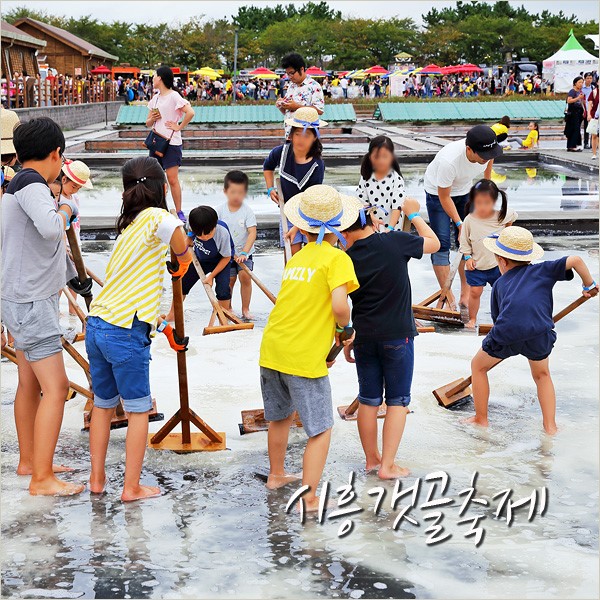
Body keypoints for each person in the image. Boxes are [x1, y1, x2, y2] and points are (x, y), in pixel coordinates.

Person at [86, 156, 191, 501]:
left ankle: (97, 480)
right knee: (138, 410)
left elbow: (136, 287)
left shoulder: (128, 228)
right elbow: (178, 239)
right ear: (162, 188)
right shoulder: (158, 217)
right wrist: (184, 261)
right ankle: (131, 487)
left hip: (98, 323)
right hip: (124, 330)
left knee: (103, 406)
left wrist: (161, 326)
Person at [259, 185, 359, 512]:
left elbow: (304, 305)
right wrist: (345, 331)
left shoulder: (298, 259)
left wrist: (328, 343)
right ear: (340, 225)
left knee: (280, 417)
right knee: (321, 429)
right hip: (302, 357)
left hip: (273, 348)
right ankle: (311, 497)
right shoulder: (337, 258)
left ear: (302, 226)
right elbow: (339, 306)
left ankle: (276, 474)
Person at [1, 117, 85, 496]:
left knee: (30, 383)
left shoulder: (16, 182)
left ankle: (31, 461)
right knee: (57, 386)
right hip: (31, 300)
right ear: (56, 155)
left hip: (20, 296)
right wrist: (66, 208)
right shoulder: (32, 183)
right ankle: (42, 478)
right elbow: (52, 228)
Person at [465, 226, 598, 434]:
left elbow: (499, 319)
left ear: (502, 261)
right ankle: (550, 426)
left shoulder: (499, 285)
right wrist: (589, 285)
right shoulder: (544, 269)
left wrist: (501, 346)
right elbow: (575, 260)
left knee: (478, 367)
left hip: (507, 333)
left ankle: (481, 419)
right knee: (542, 375)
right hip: (539, 333)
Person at [342, 197, 440, 479]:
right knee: (397, 400)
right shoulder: (395, 241)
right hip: (397, 336)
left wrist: (346, 337)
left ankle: (372, 460)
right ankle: (387, 466)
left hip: (363, 337)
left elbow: (339, 304)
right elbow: (433, 243)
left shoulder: (346, 258)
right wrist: (415, 214)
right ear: (369, 220)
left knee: (368, 400)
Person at [423, 125, 502, 311]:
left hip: (464, 191)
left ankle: (464, 295)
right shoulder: (448, 161)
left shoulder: (486, 154)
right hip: (438, 193)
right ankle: (447, 297)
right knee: (441, 242)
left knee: (469, 243)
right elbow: (444, 197)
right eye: (483, 155)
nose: (487, 158)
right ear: (469, 150)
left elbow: (487, 171)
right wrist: (460, 224)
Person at [263, 107, 326, 255]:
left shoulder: (317, 165)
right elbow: (268, 166)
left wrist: (297, 227)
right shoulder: (281, 152)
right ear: (291, 135)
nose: (301, 140)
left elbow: (312, 198)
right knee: (291, 256)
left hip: (310, 215)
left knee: (310, 255)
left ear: (315, 137)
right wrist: (270, 188)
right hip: (288, 212)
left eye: (307, 135)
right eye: (297, 134)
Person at [459, 179, 517, 328]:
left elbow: (513, 216)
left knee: (501, 292)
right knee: (475, 292)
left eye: (487, 202)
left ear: (494, 201)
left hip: (497, 265)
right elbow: (464, 241)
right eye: (478, 203)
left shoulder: (500, 215)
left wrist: (506, 231)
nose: (482, 206)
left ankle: (500, 320)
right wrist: (467, 257)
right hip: (476, 264)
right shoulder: (469, 220)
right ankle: (472, 319)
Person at [165, 206, 235, 321]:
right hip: (201, 259)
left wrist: (211, 276)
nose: (205, 237)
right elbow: (190, 234)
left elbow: (227, 258)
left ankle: (223, 319)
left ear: (214, 226)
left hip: (221, 260)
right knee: (183, 283)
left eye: (208, 233)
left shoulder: (222, 233)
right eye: (200, 235)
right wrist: (189, 238)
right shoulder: (192, 225)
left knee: (223, 290)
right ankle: (172, 315)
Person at [146, 66, 196, 221]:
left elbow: (190, 112)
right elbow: (147, 123)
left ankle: (179, 211)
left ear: (160, 78)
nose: (152, 79)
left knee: (172, 178)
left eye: (154, 76)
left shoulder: (174, 96)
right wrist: (153, 119)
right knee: (155, 178)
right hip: (156, 141)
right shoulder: (155, 98)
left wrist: (179, 126)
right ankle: (159, 208)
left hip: (171, 143)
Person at [216, 171, 257, 321]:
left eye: (240, 192)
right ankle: (228, 307)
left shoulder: (247, 211)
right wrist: (229, 253)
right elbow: (216, 233)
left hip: (244, 252)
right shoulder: (219, 211)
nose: (236, 196)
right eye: (233, 192)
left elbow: (252, 232)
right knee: (229, 280)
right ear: (225, 191)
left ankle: (245, 308)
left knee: (245, 277)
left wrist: (244, 253)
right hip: (226, 254)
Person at [356, 135, 406, 230]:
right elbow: (362, 201)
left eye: (385, 156)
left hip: (392, 227)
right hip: (373, 226)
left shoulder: (396, 179)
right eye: (376, 156)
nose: (381, 161)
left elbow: (397, 206)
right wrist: (372, 218)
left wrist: (390, 228)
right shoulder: (366, 176)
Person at [276, 53, 325, 139]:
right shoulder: (291, 86)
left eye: (292, 73)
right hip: (289, 135)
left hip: (305, 138)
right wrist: (282, 106)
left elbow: (319, 111)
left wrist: (297, 107)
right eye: (287, 74)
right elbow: (288, 112)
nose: (290, 77)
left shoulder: (314, 86)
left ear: (302, 69)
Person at [564, 76, 586, 152]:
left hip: (579, 112)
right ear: (575, 83)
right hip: (572, 112)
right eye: (579, 82)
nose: (581, 84)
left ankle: (574, 145)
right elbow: (569, 101)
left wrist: (584, 110)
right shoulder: (572, 91)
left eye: (582, 82)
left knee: (577, 129)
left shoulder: (580, 92)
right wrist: (578, 98)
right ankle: (572, 146)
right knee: (574, 129)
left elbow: (582, 102)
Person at [581, 72, 594, 149]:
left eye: (590, 78)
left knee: (592, 126)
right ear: (584, 79)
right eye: (588, 78)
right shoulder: (581, 88)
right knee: (585, 126)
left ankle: (592, 142)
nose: (589, 80)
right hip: (583, 109)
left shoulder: (593, 88)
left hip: (591, 109)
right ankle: (585, 142)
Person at [586, 83, 599, 160]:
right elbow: (590, 104)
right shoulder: (594, 92)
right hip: (595, 115)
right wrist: (589, 114)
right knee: (594, 135)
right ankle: (594, 153)